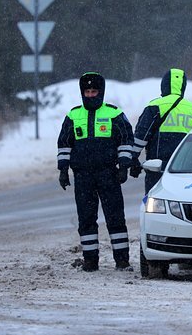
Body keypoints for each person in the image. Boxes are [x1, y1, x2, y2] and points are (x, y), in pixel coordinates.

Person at [57, 72, 134, 272]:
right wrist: (63, 170)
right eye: (87, 92)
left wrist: (124, 166)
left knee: (115, 218)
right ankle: (90, 261)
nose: (91, 95)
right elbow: (64, 144)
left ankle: (122, 261)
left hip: (108, 174)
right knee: (86, 219)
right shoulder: (73, 115)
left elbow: (126, 140)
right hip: (83, 177)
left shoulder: (114, 114)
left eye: (94, 91)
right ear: (82, 93)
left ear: (101, 92)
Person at [130, 68, 192, 194]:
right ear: (183, 87)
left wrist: (133, 158)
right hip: (185, 170)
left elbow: (141, 136)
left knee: (155, 203)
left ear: (163, 85)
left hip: (157, 168)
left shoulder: (155, 106)